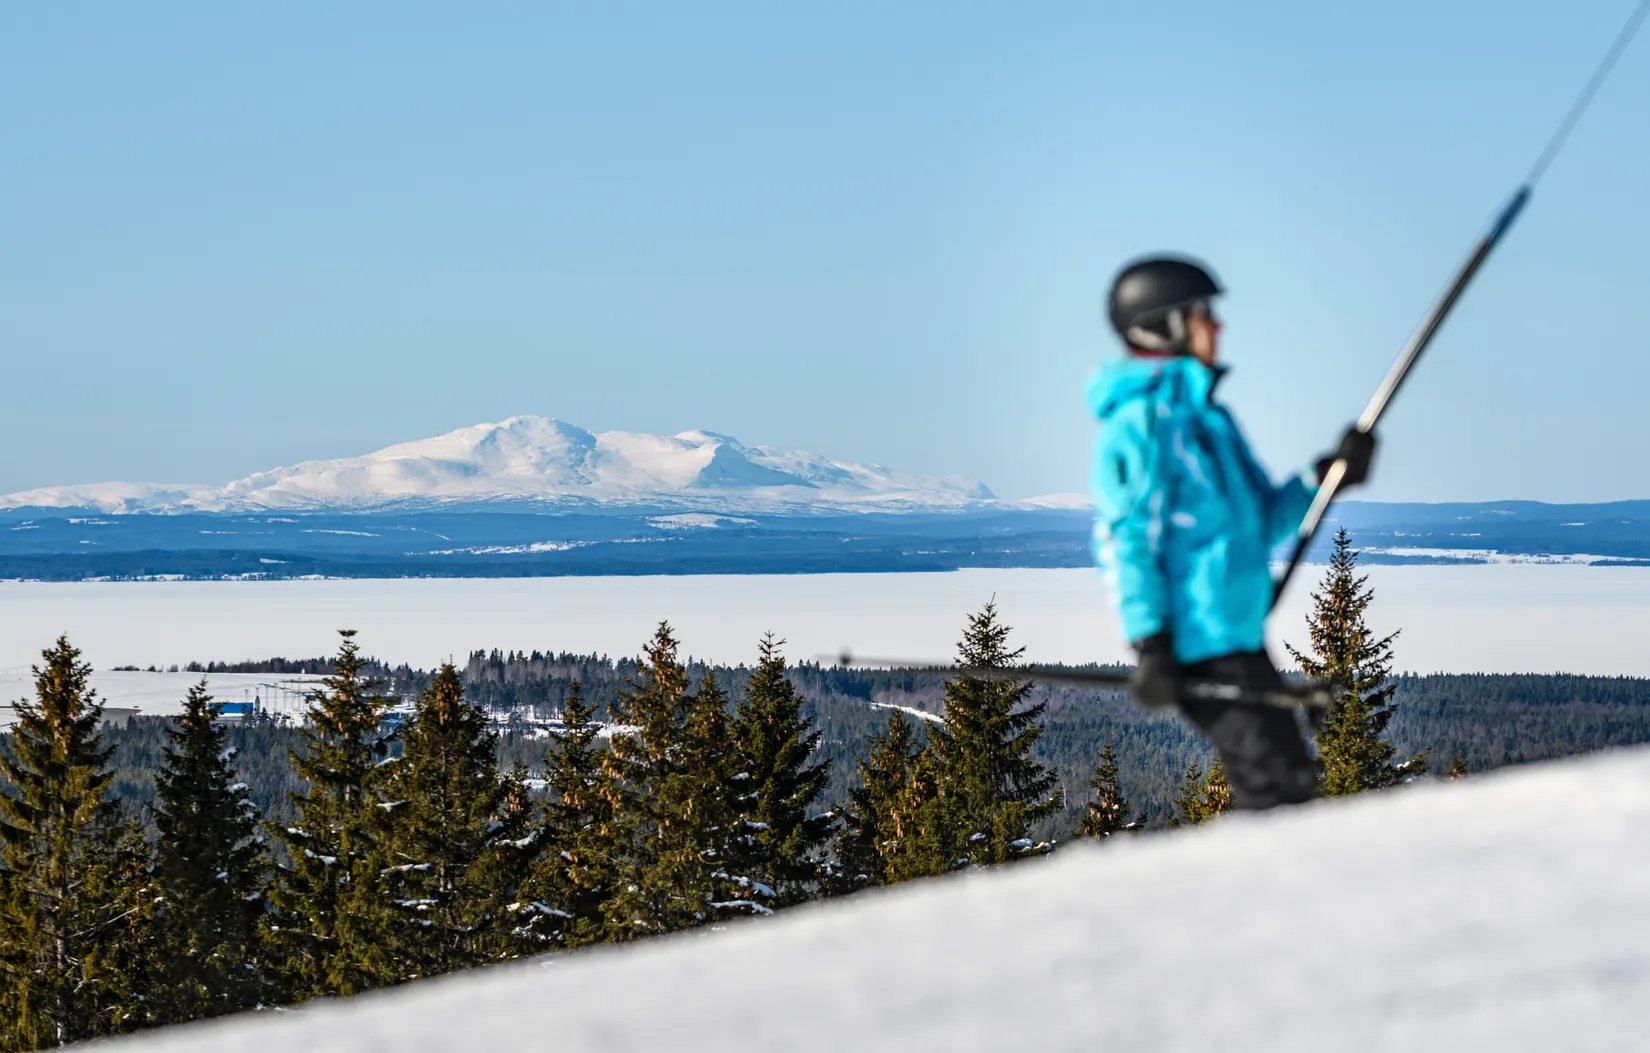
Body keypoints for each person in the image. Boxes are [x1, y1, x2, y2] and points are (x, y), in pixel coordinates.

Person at [1088, 256, 1375, 810]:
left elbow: (1261, 522)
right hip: (1198, 648)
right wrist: (1151, 641)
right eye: (1202, 314)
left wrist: (1328, 476)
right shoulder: (1142, 426)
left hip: (1237, 637)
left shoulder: (1209, 422)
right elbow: (1127, 542)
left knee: (1287, 783)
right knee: (1277, 788)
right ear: (1163, 325)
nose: (1217, 326)